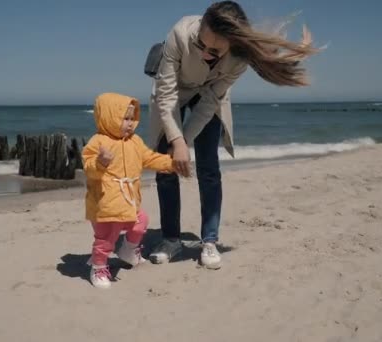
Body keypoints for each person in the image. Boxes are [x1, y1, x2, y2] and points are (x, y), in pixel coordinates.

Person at [148, 1, 319, 269]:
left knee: (209, 169)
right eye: (201, 45)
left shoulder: (239, 59)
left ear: (232, 44)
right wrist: (176, 141)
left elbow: (208, 103)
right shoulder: (180, 33)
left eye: (214, 51)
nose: (205, 54)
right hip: (173, 96)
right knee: (166, 166)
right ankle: (171, 239)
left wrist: (186, 141)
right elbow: (166, 94)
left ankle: (209, 240)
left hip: (209, 97)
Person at [82, 92, 174, 289]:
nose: (130, 123)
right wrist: (100, 162)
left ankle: (129, 250)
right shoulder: (98, 142)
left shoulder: (135, 141)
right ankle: (98, 267)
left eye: (133, 119)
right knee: (106, 238)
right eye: (125, 118)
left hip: (128, 201)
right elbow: (89, 168)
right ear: (109, 117)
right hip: (105, 204)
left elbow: (149, 158)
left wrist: (171, 163)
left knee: (141, 221)